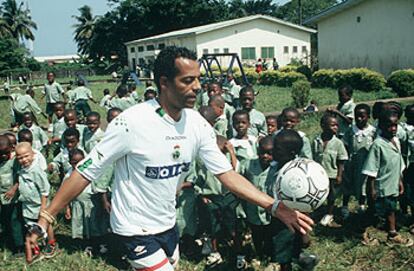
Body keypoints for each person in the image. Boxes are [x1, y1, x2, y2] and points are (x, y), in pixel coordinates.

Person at [25, 46, 313, 268]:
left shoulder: (197, 124)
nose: (198, 87)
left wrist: (274, 206)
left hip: (167, 225)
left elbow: (227, 175)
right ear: (164, 82)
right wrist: (47, 216)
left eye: (198, 80)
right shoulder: (131, 123)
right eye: (188, 81)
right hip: (133, 228)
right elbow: (85, 171)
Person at [268, 130, 318, 271]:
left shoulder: (297, 175)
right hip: (277, 216)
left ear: (291, 153)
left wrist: (304, 234)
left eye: (277, 149)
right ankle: (303, 261)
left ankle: (298, 262)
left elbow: (304, 206)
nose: (273, 150)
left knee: (285, 256)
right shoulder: (274, 166)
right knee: (284, 252)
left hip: (291, 221)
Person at [362, 110, 413, 247]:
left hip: (392, 185)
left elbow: (397, 165)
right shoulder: (378, 145)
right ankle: (370, 234)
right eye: (389, 126)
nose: (393, 128)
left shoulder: (395, 141)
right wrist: (371, 189)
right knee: (378, 212)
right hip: (381, 186)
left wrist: (400, 181)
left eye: (395, 125)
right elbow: (371, 170)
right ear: (381, 126)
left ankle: (391, 233)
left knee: (390, 209)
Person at [195, 135, 240, 267]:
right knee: (213, 227)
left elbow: (236, 171)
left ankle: (239, 253)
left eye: (222, 152)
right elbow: (199, 180)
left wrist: (231, 152)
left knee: (233, 228)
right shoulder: (204, 162)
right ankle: (215, 252)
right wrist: (202, 195)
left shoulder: (228, 160)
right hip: (212, 198)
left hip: (229, 197)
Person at [16, 142, 57, 261]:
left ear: (33, 154)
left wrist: (43, 207)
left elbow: (45, 190)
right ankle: (35, 247)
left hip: (39, 204)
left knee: (45, 224)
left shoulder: (36, 170)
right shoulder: (22, 169)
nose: (24, 160)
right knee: (31, 225)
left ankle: (51, 243)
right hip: (28, 204)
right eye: (20, 157)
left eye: (26, 156)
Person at [64, 148, 108, 256]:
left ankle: (100, 244)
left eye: (81, 162)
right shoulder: (69, 175)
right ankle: (87, 245)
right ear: (70, 163)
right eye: (75, 163)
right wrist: (67, 208)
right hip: (77, 205)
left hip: (91, 203)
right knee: (82, 226)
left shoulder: (91, 171)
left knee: (95, 225)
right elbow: (64, 192)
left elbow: (99, 186)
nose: (78, 165)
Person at [239, 136, 273, 263]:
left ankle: (269, 254)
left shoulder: (276, 169)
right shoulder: (248, 164)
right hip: (253, 209)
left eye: (269, 153)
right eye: (262, 152)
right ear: (257, 152)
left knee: (269, 234)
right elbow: (239, 180)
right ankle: (259, 253)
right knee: (257, 234)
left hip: (271, 211)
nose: (265, 156)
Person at [313, 113, 348, 227]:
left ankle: (329, 214)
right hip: (318, 174)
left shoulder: (338, 143)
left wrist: (339, 175)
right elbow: (313, 156)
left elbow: (341, 160)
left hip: (332, 174)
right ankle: (317, 211)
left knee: (332, 196)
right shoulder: (316, 140)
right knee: (316, 194)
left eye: (337, 125)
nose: (336, 128)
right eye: (332, 125)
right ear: (323, 126)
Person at [341, 104, 376, 219]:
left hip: (365, 163)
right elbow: (345, 145)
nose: (359, 119)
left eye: (362, 116)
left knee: (363, 184)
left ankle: (361, 204)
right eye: (357, 116)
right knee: (348, 183)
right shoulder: (351, 130)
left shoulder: (372, 132)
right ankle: (345, 206)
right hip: (351, 162)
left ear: (368, 116)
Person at [0, 135, 24, 256]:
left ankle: (19, 247)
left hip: (13, 197)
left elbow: (20, 176)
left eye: (6, 153)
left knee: (15, 220)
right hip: (2, 197)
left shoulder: (14, 161)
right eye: (0, 154)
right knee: (5, 220)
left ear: (11, 148)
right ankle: (8, 242)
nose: (3, 156)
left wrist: (14, 188)